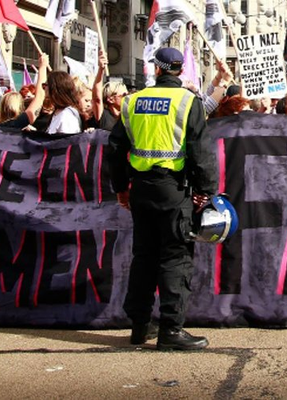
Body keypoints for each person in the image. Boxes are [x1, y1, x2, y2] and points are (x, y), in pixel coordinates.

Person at [109, 47, 216, 351]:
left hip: (140, 188)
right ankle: (171, 329)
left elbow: (115, 149)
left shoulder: (132, 102)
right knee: (175, 257)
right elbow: (200, 151)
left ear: (156, 69)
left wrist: (121, 187)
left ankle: (140, 327)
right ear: (180, 71)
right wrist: (205, 190)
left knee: (144, 256)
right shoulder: (187, 102)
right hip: (173, 190)